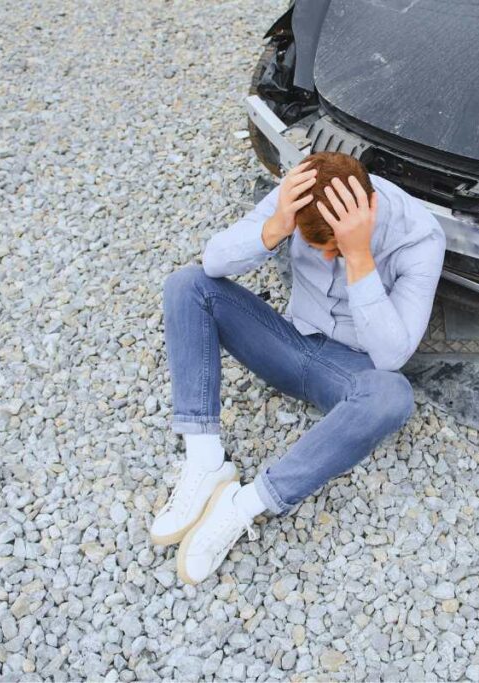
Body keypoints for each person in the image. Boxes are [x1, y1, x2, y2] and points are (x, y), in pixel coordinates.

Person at [154, 151, 447, 584]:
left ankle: (243, 506)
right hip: (287, 342)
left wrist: (358, 256)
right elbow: (213, 262)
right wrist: (275, 227)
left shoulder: (419, 238)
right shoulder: (297, 195)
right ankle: (205, 461)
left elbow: (391, 357)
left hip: (348, 375)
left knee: (392, 395)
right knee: (187, 284)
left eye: (334, 249)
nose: (327, 260)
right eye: (317, 249)